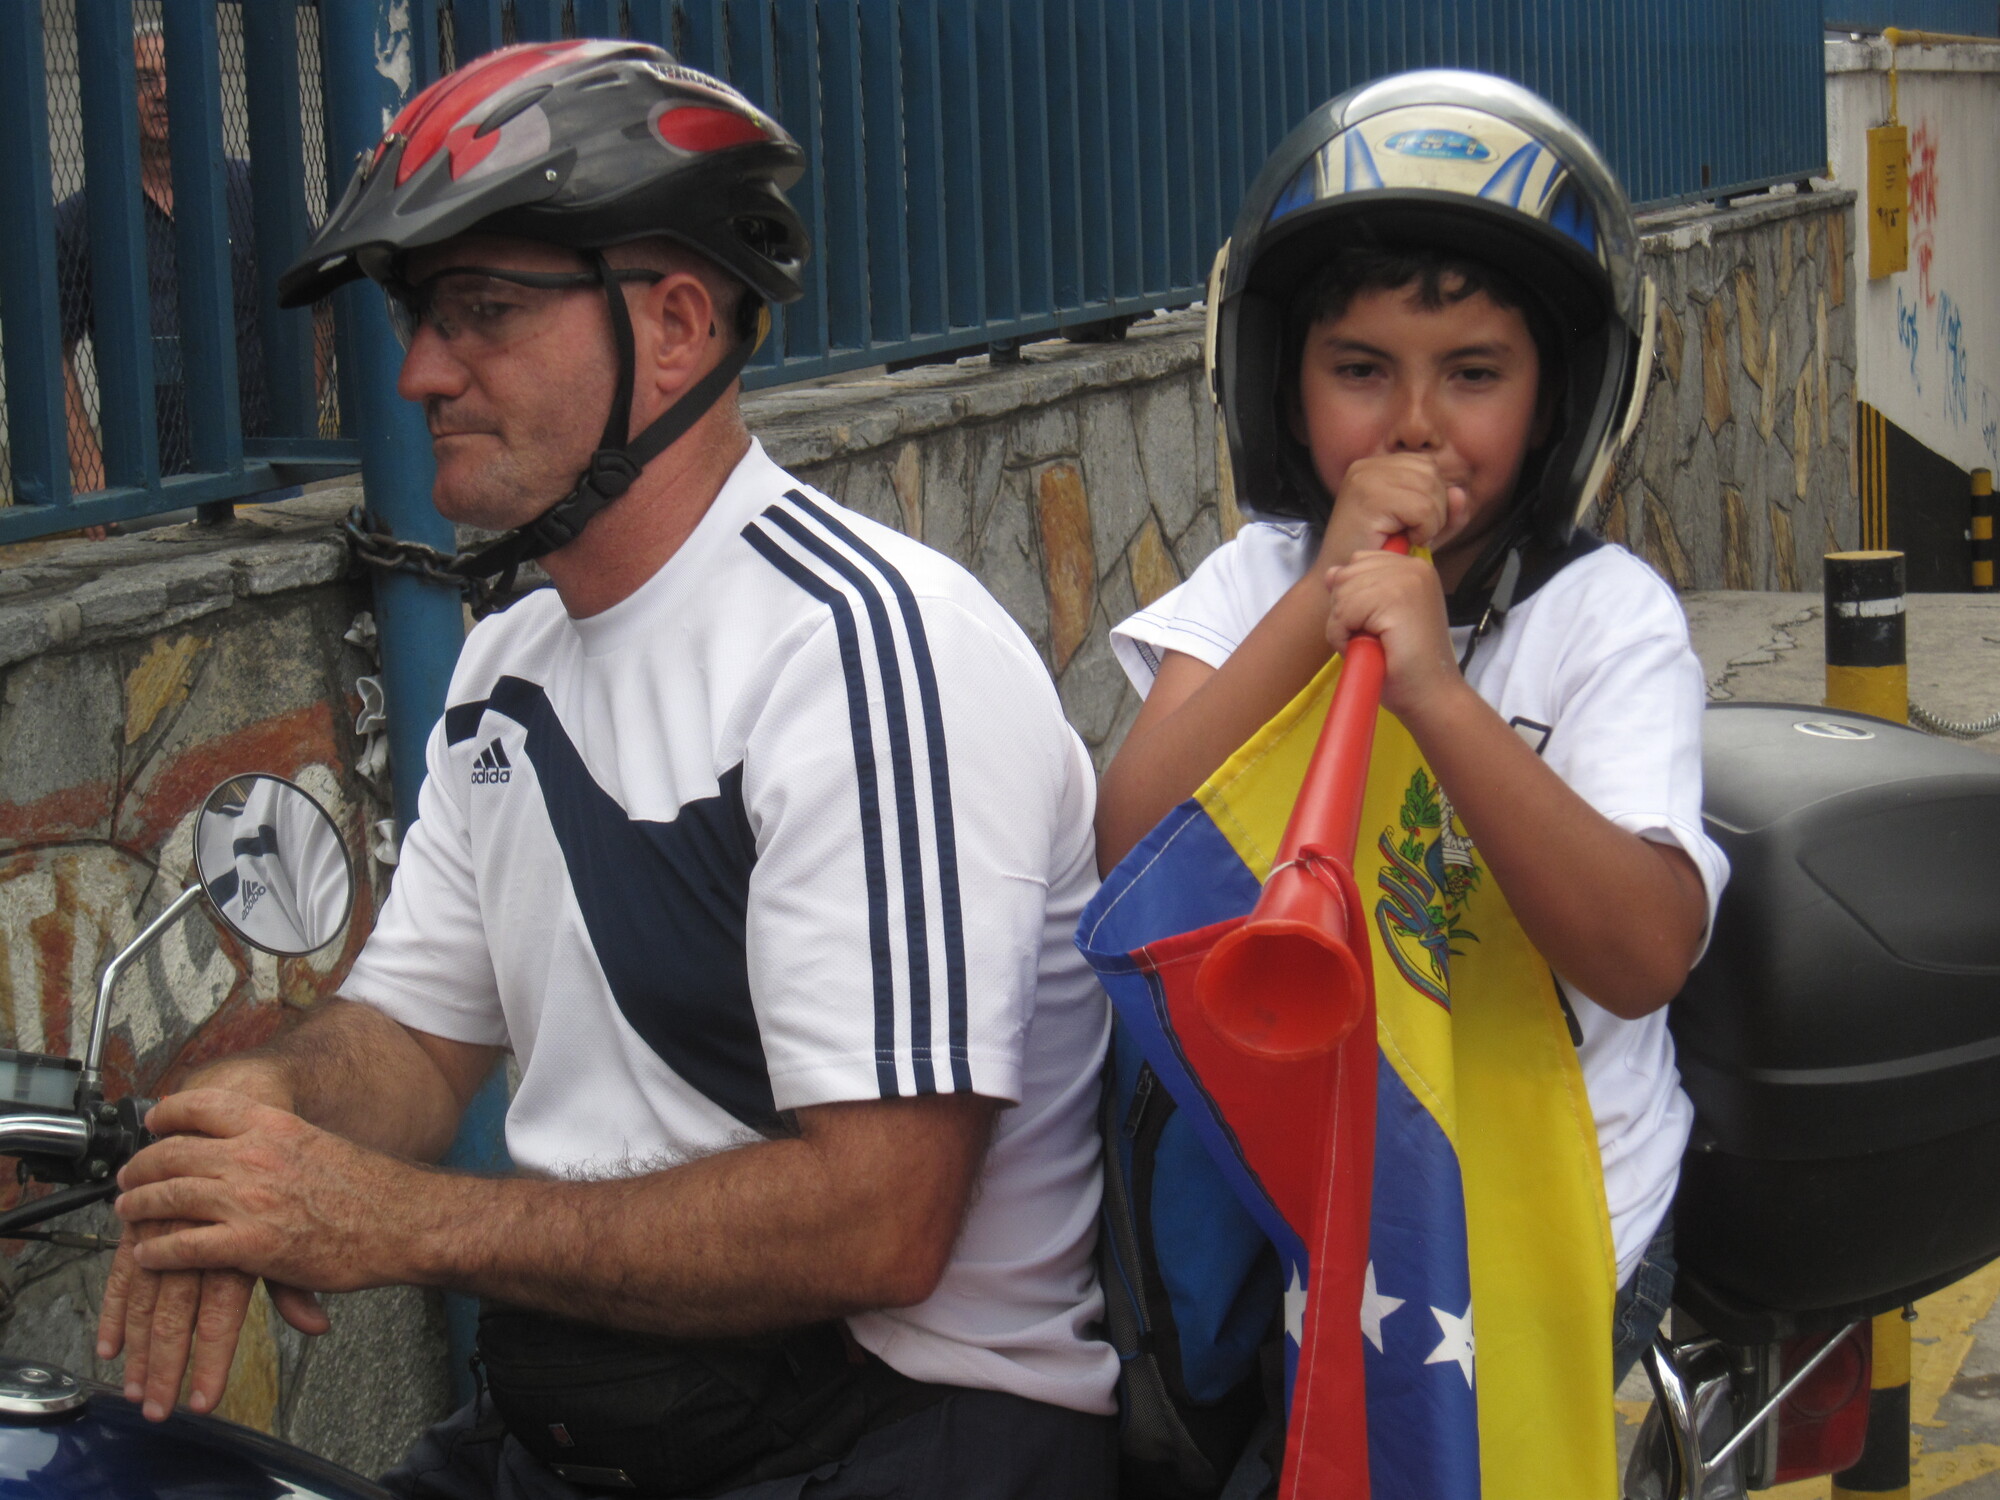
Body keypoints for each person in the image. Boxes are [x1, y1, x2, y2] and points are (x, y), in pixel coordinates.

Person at [98, 40, 1116, 1497]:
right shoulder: (511, 668)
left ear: (681, 325)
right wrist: (259, 1122)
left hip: (898, 1435)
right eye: (418, 318)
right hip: (605, 1424)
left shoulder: (865, 655)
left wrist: (393, 1223)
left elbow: (879, 1218)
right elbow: (415, 1037)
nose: (419, 372)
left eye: (483, 312)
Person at [1093, 69, 1730, 1384]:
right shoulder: (1257, 581)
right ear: (1286, 385)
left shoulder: (1607, 621)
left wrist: (1435, 689)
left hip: (1546, 1225)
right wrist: (1322, 599)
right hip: (1304, 1209)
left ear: (1558, 402)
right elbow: (1132, 844)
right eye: (1362, 371)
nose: (1419, 422)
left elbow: (1644, 952)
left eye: (1476, 374)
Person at [55, 21, 269, 492]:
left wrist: (300, 415)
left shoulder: (254, 191)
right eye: (144, 80)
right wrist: (88, 464)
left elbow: (318, 309)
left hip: (263, 466)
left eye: (175, 76)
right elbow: (54, 352)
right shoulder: (81, 220)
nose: (162, 93)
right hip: (143, 481)